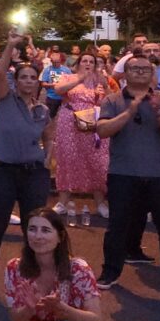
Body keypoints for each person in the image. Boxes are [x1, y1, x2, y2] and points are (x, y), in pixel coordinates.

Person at [95, 51, 160, 298]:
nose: (140, 72)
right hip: (123, 173)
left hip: (159, 174)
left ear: (152, 74)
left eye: (145, 69)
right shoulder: (112, 100)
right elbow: (103, 130)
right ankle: (110, 272)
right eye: (135, 68)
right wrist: (129, 112)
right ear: (125, 74)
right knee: (117, 226)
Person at [0, 32, 53, 290]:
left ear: (37, 82)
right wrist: (9, 44)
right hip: (3, 172)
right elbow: (0, 72)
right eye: (24, 77)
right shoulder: (6, 100)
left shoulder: (42, 110)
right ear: (16, 81)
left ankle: (35, 277)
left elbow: (49, 136)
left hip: (34, 174)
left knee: (35, 228)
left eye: (32, 77)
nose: (28, 81)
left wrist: (47, 158)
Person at [51, 51, 110, 218]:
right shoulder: (68, 77)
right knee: (68, 158)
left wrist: (103, 89)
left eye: (91, 61)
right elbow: (58, 90)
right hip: (69, 122)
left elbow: (109, 100)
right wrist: (80, 78)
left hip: (92, 123)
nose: (88, 64)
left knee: (97, 160)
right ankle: (62, 202)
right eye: (85, 61)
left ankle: (100, 203)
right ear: (78, 64)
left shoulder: (100, 80)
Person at [39, 51, 72, 119]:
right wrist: (52, 85)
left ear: (60, 61)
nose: (56, 64)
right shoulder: (47, 70)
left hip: (64, 97)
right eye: (54, 62)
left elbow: (71, 82)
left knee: (65, 117)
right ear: (51, 61)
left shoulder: (66, 70)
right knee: (50, 117)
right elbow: (43, 83)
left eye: (58, 62)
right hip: (52, 97)